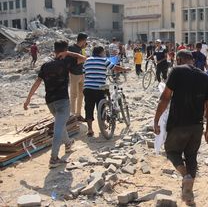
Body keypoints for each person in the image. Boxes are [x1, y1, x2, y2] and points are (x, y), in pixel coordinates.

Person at [154, 50, 208, 206]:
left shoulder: (177, 71)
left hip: (178, 124)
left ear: (179, 60)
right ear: (192, 60)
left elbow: (165, 97)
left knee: (172, 151)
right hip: (196, 126)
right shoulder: (204, 76)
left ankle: (185, 176)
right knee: (191, 156)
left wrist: (156, 120)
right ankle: (189, 194)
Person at [24, 40, 86, 168]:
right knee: (58, 128)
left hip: (50, 101)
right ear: (64, 50)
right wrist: (68, 53)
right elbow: (83, 58)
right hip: (62, 101)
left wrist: (28, 99)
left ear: (54, 51)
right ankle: (54, 159)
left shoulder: (45, 65)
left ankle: (68, 144)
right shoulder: (67, 61)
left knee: (60, 124)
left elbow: (37, 82)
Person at [83, 46, 129, 137]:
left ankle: (90, 129)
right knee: (102, 104)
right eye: (104, 52)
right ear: (101, 53)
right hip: (100, 87)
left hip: (88, 88)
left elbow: (84, 72)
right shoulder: (103, 60)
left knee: (88, 107)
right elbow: (115, 67)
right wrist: (124, 69)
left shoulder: (87, 60)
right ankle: (103, 122)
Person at [68, 32, 88, 122]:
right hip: (74, 74)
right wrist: (82, 58)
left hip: (81, 73)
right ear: (83, 40)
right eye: (85, 41)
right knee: (73, 95)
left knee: (81, 95)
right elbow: (73, 62)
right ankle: (72, 115)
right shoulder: (72, 48)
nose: (86, 43)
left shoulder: (81, 49)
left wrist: (83, 57)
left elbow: (84, 58)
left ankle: (78, 114)